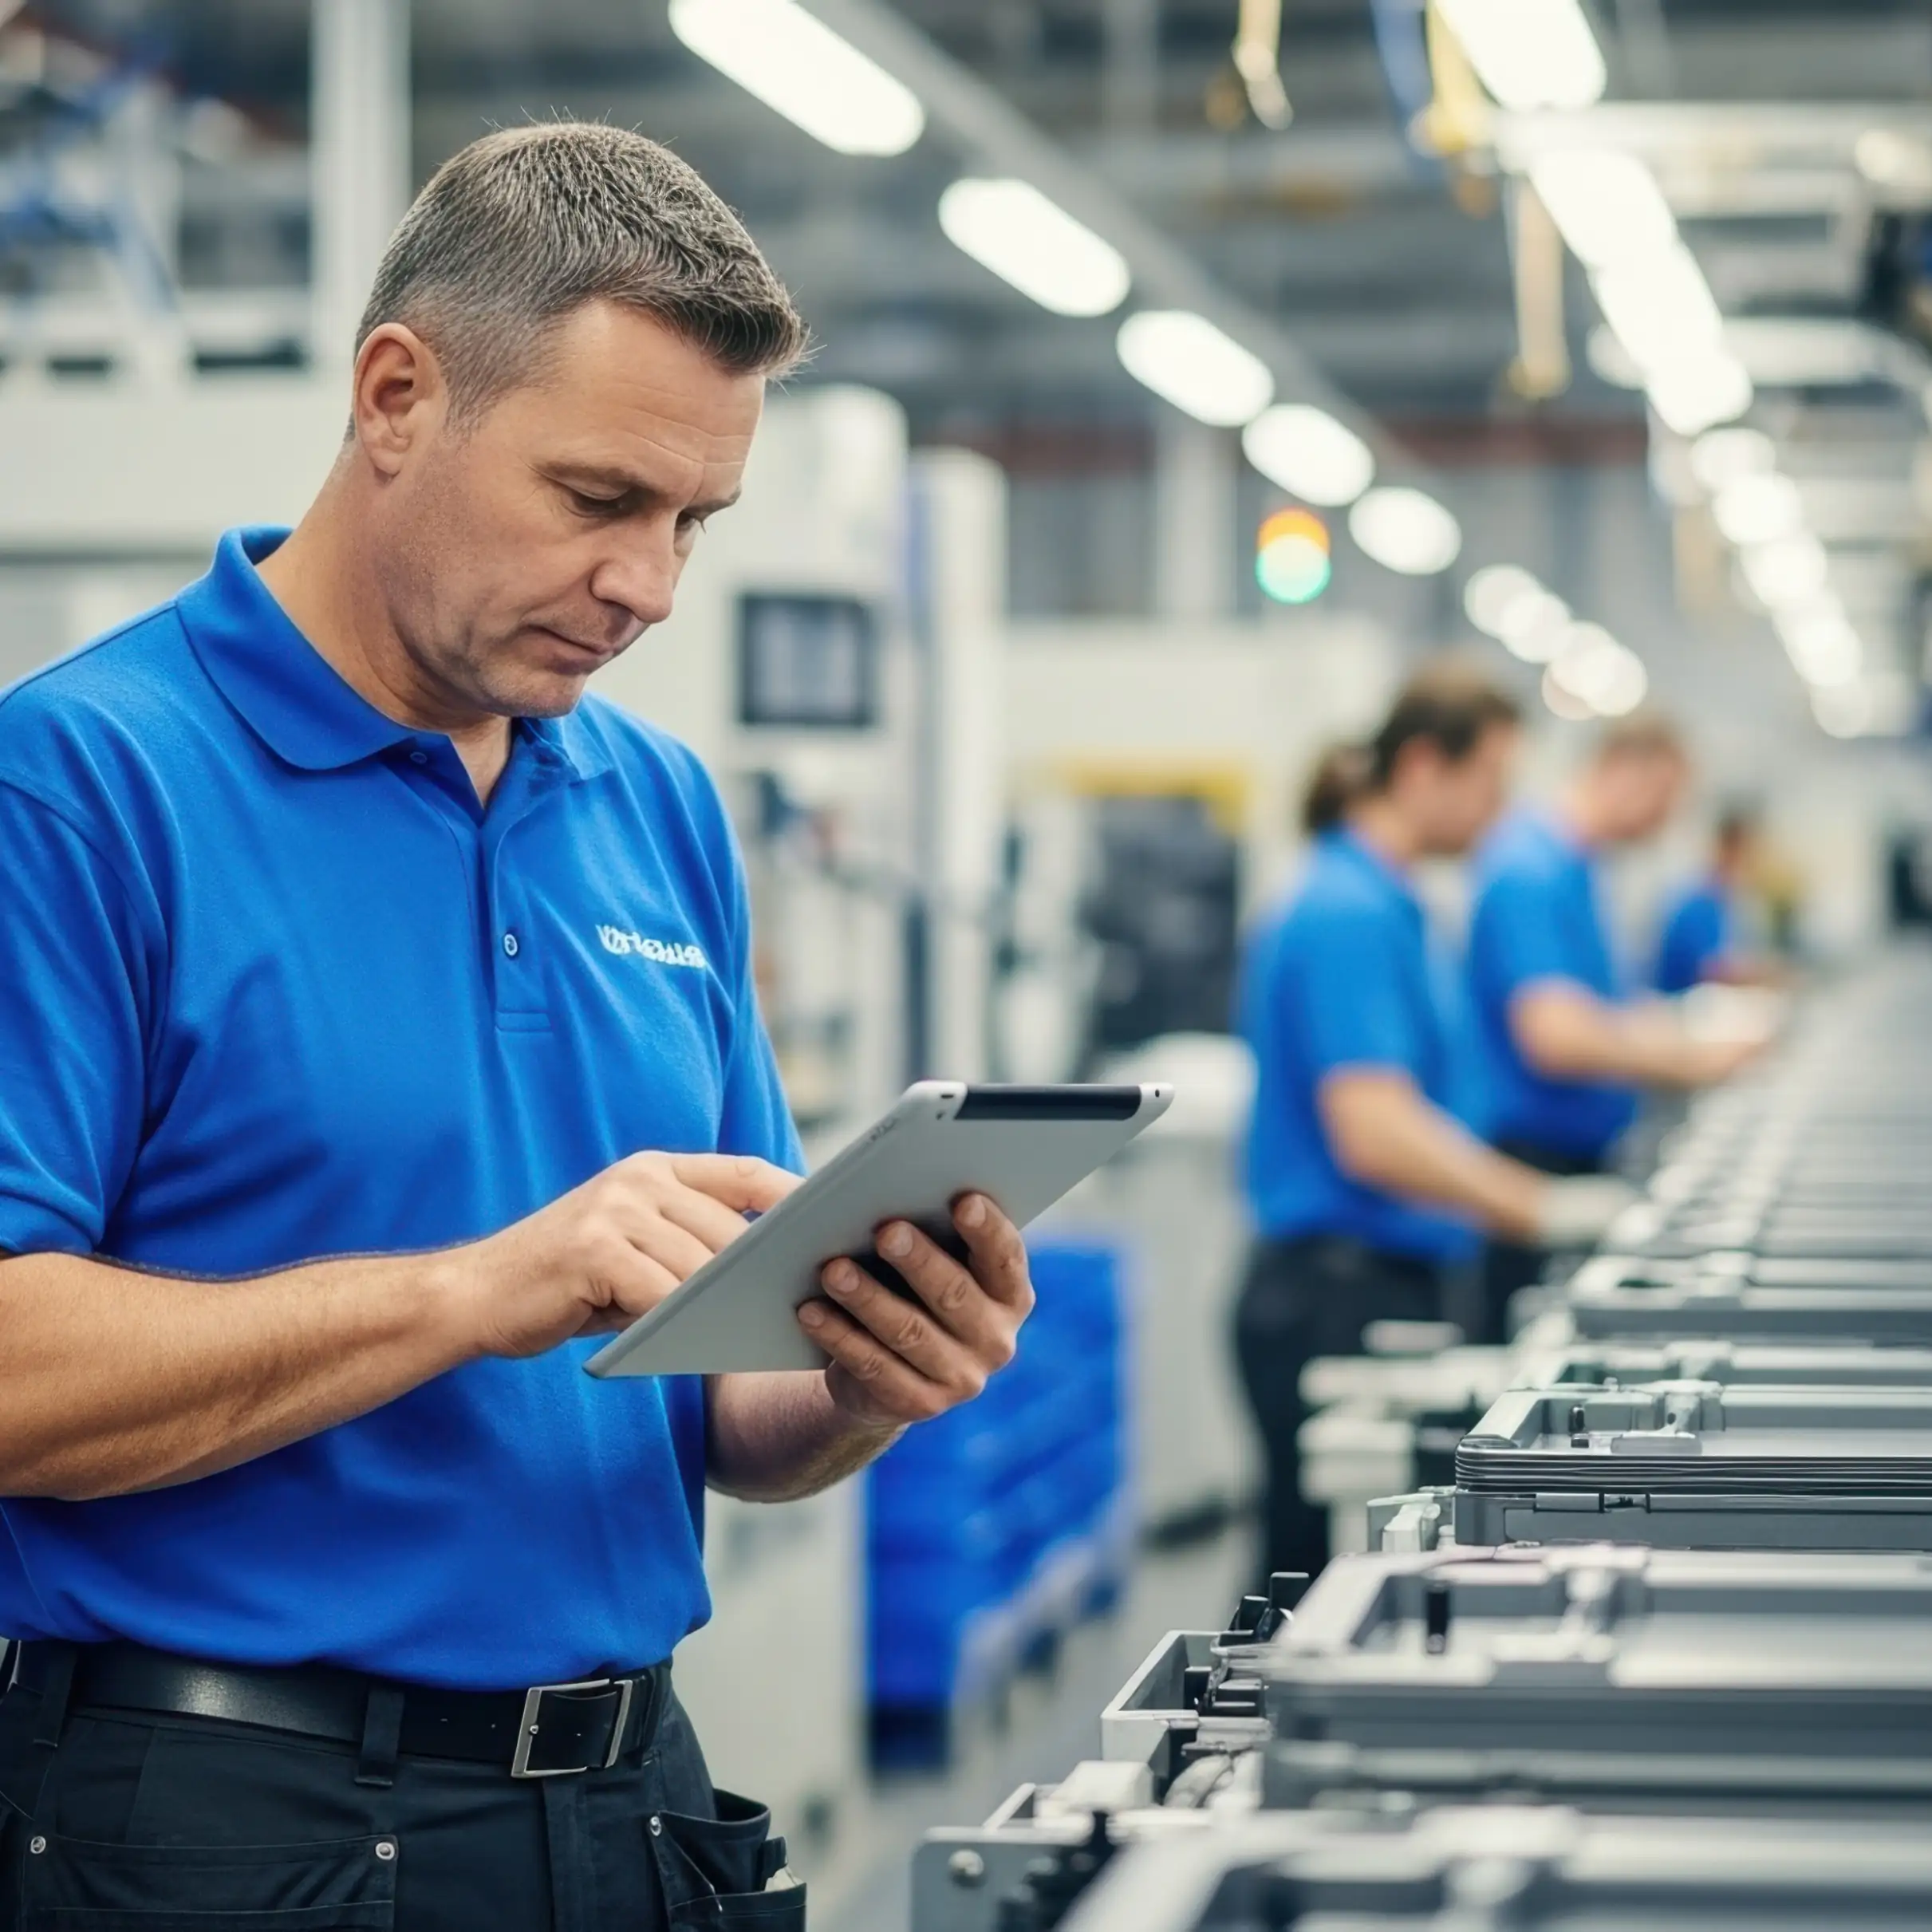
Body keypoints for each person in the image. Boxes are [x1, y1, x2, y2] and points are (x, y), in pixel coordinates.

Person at [0, 125, 1036, 1930]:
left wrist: (865, 1380)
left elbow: (726, 1410)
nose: (649, 586)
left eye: (691, 523)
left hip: (630, 1813)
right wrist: (476, 1291)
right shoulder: (81, 788)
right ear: (395, 394)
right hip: (230, 1832)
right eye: (597, 500)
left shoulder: (655, 806)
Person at [1232, 666, 1628, 1587]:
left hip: (1371, 1283)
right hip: (1335, 1292)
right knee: (1310, 1583)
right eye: (1490, 781)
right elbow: (1373, 1128)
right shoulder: (1349, 911)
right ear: (1421, 766)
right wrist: (1535, 1205)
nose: (1501, 812)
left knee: (1336, 1570)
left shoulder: (1393, 902)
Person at [1468, 713, 1764, 1341]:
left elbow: (1605, 1012)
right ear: (1624, 772)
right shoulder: (1530, 868)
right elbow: (1557, 1036)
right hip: (1531, 1168)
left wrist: (1686, 1034)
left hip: (1573, 1157)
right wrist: (1696, 1062)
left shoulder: (1576, 870)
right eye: (1665, 798)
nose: (1665, 821)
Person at [1653, 806, 1774, 994]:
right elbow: (1712, 971)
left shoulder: (1725, 904)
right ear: (1729, 849)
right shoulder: (1696, 906)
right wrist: (1765, 973)